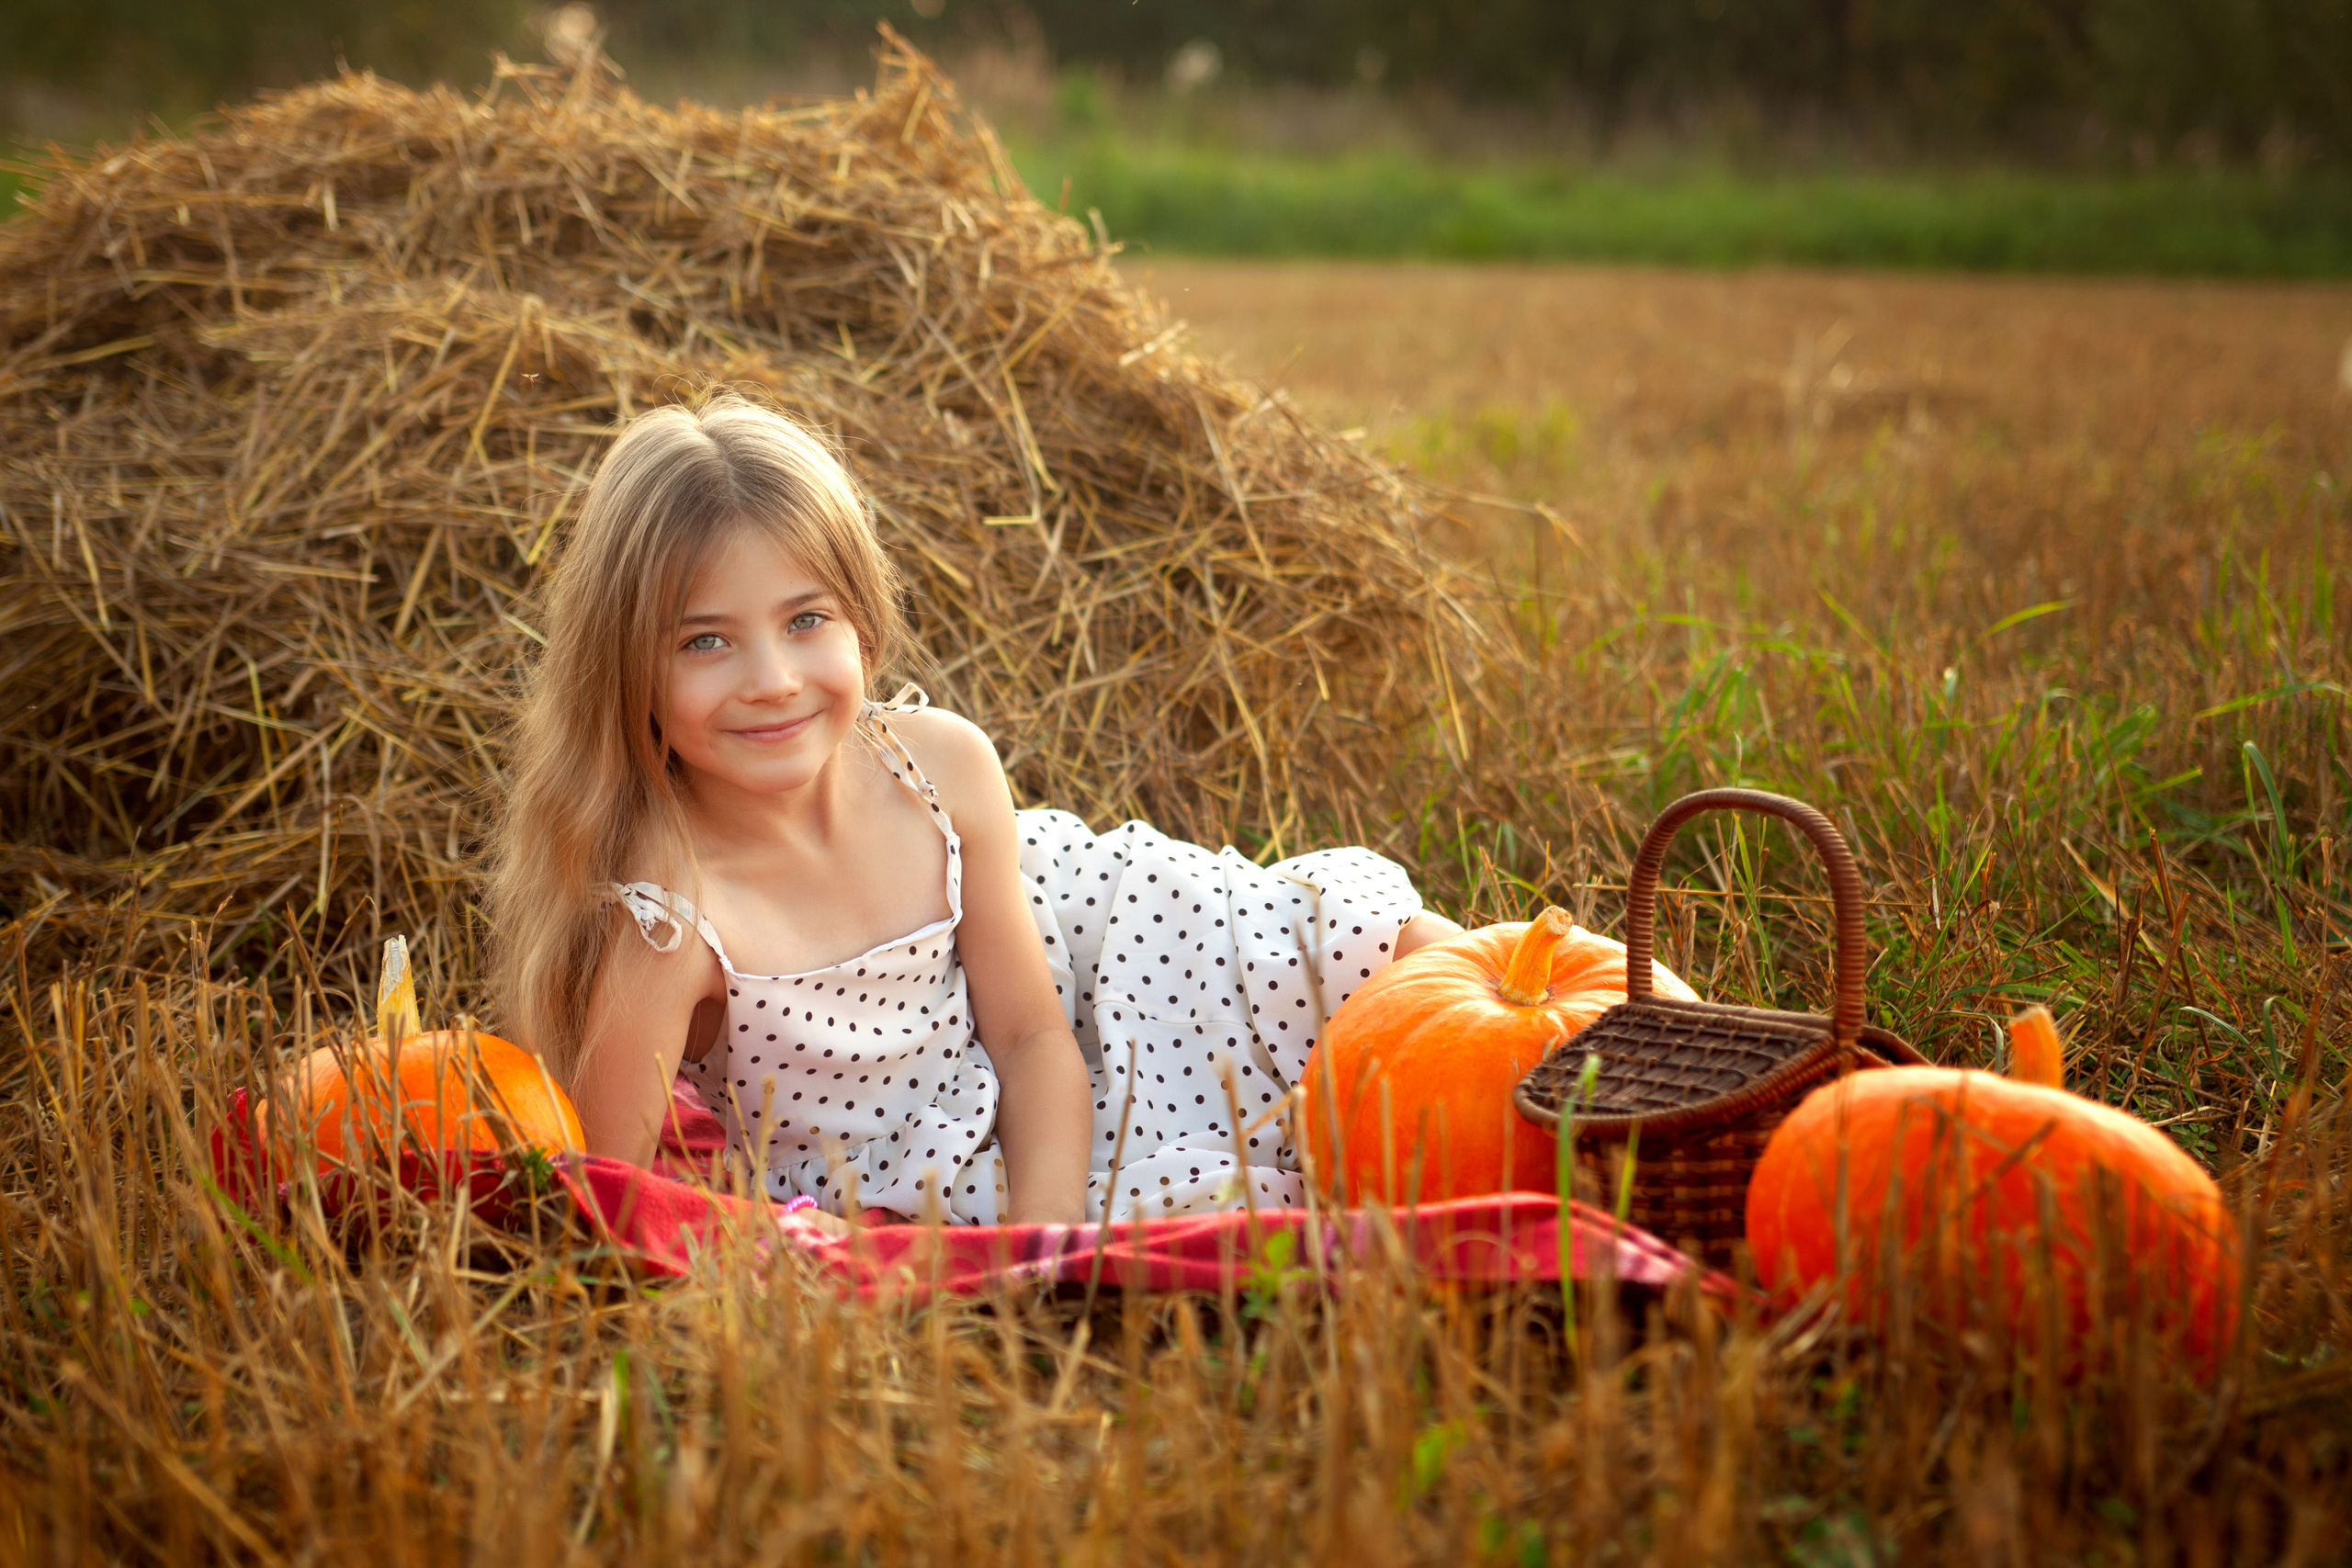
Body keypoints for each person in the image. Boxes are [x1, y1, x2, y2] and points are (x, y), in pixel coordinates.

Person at [487, 392, 1463, 1227]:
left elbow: (1034, 1036)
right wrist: (1048, 1245)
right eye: (705, 642)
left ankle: (1589, 1048)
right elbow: (608, 1205)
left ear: (861, 618)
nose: (773, 680)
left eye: (805, 620)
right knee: (1217, 1185)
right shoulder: (667, 923)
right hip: (935, 1156)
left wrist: (1050, 1233)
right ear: (624, 670)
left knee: (1368, 957)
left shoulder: (938, 765)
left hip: (1091, 950)